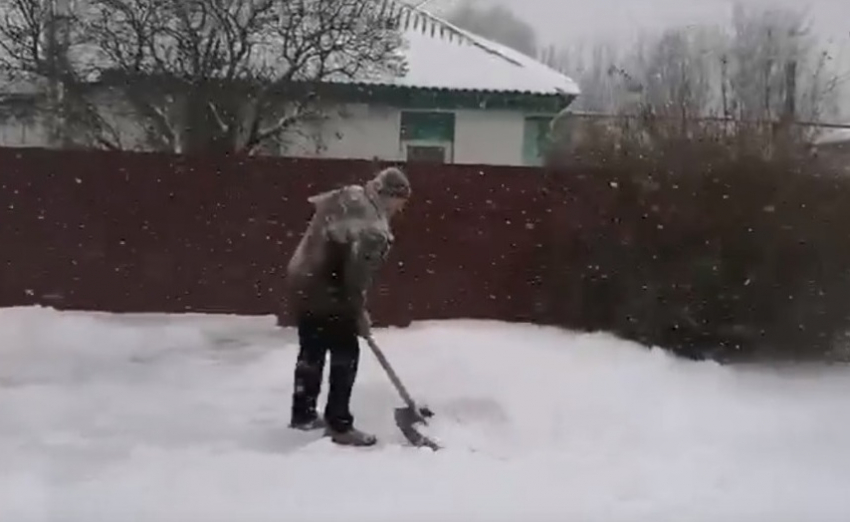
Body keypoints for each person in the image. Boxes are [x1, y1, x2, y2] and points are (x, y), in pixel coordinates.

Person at [285, 167, 412, 447]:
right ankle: (339, 424)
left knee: (312, 349)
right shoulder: (372, 227)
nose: (399, 209)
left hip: (302, 278)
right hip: (329, 288)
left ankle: (303, 413)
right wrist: (358, 311)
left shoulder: (350, 194)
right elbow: (355, 276)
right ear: (387, 195)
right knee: (346, 353)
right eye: (399, 202)